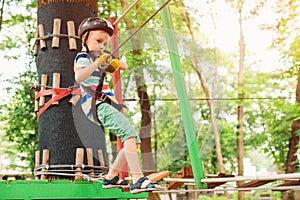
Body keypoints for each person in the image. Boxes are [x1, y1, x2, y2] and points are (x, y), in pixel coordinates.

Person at [74, 17, 164, 194]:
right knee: (129, 135)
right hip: (97, 104)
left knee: (133, 141)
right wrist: (97, 63)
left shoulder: (100, 57)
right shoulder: (83, 57)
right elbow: (79, 77)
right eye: (98, 41)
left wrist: (110, 60)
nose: (101, 45)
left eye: (105, 43)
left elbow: (124, 66)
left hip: (104, 104)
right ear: (85, 38)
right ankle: (138, 179)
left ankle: (111, 176)